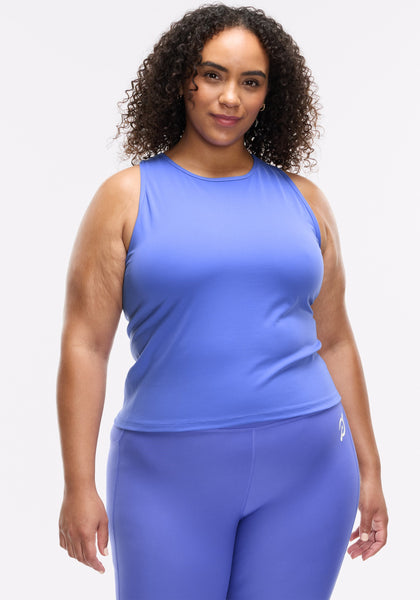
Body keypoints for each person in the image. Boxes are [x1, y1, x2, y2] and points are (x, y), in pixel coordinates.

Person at [56, 4, 389, 599]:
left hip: (310, 470)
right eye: (213, 75)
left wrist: (371, 469)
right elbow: (85, 345)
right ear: (181, 78)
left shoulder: (305, 200)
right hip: (166, 476)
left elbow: (335, 339)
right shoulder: (126, 198)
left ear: (269, 97)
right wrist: (77, 485)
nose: (230, 97)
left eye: (250, 82)